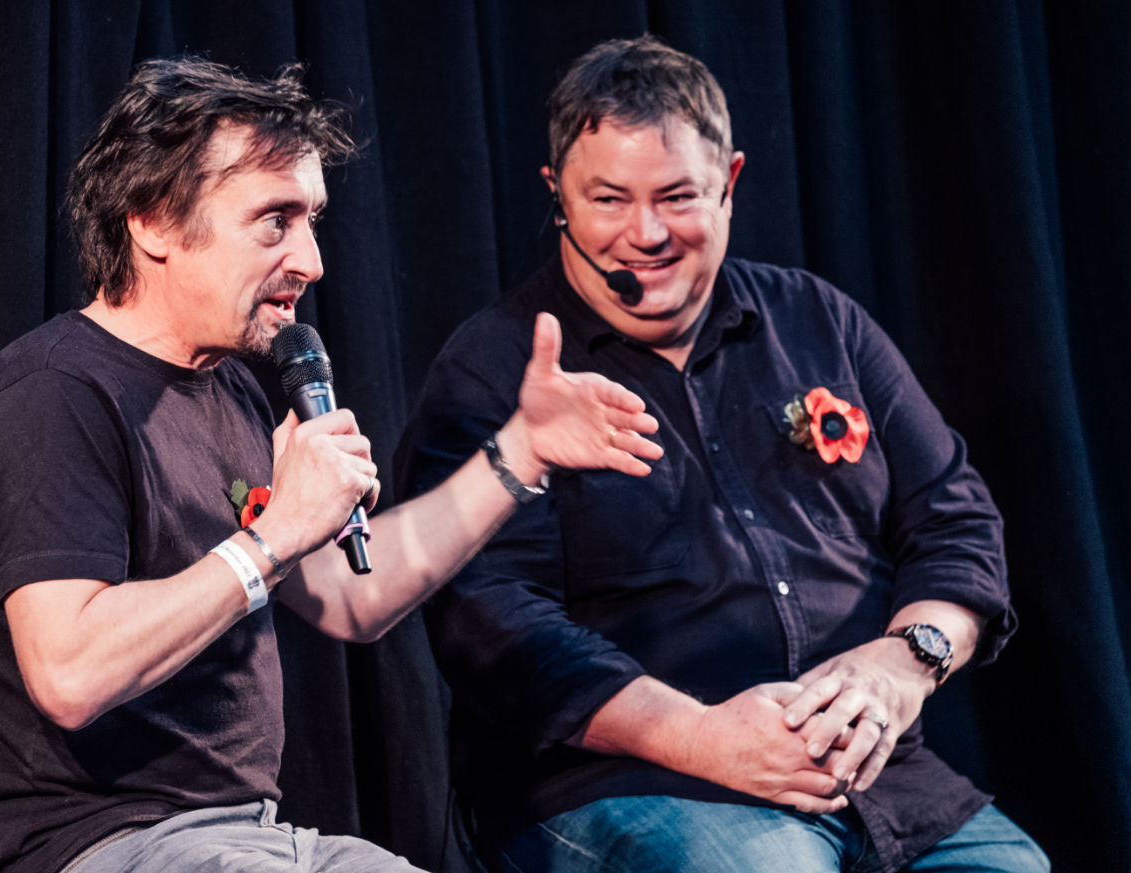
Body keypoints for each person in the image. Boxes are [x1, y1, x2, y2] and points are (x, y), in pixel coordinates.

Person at [0, 56, 664, 873]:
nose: (312, 261)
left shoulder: (232, 390)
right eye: (274, 220)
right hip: (88, 844)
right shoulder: (54, 394)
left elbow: (352, 596)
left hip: (247, 834)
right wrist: (274, 536)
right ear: (153, 222)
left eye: (311, 219)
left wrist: (519, 450)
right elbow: (69, 671)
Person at [395, 35, 1049, 873]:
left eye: (676, 197)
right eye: (608, 200)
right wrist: (699, 736)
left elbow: (954, 520)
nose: (645, 234)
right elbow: (489, 618)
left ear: (729, 182)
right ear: (556, 194)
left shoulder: (819, 320)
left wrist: (902, 662)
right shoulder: (495, 364)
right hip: (626, 783)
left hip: (875, 778)